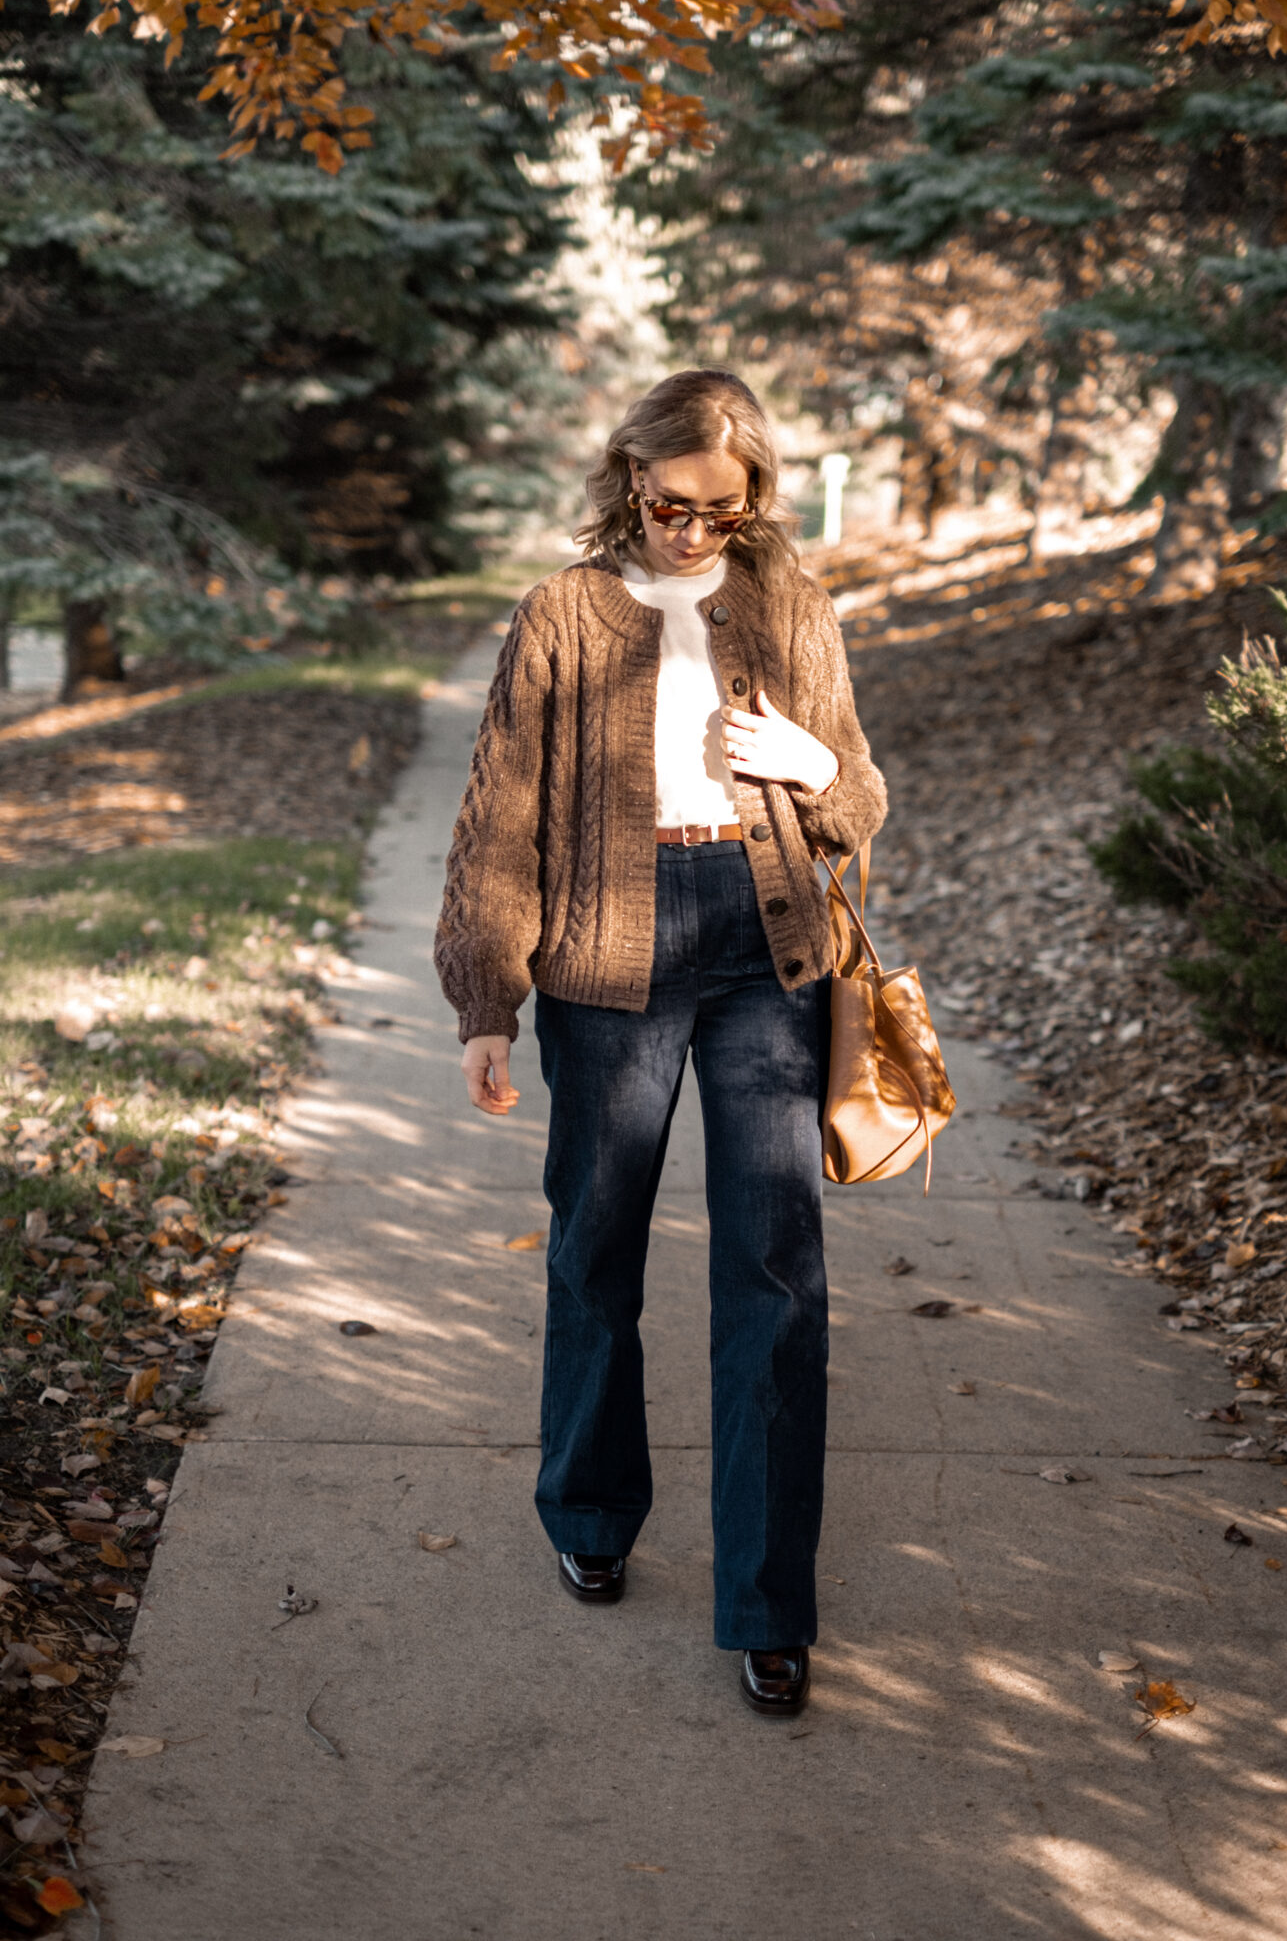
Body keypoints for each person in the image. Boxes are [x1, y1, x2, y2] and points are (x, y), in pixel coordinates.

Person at [434, 369, 886, 1715]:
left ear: (754, 507)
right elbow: (502, 810)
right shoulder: (565, 614)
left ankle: (766, 1601)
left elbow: (859, 794)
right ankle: (588, 1515)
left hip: (767, 951)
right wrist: (485, 998)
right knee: (596, 1245)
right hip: (604, 959)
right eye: (670, 503)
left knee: (774, 1272)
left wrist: (813, 769)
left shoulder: (793, 608)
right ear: (629, 476)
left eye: (721, 513)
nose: (693, 531)